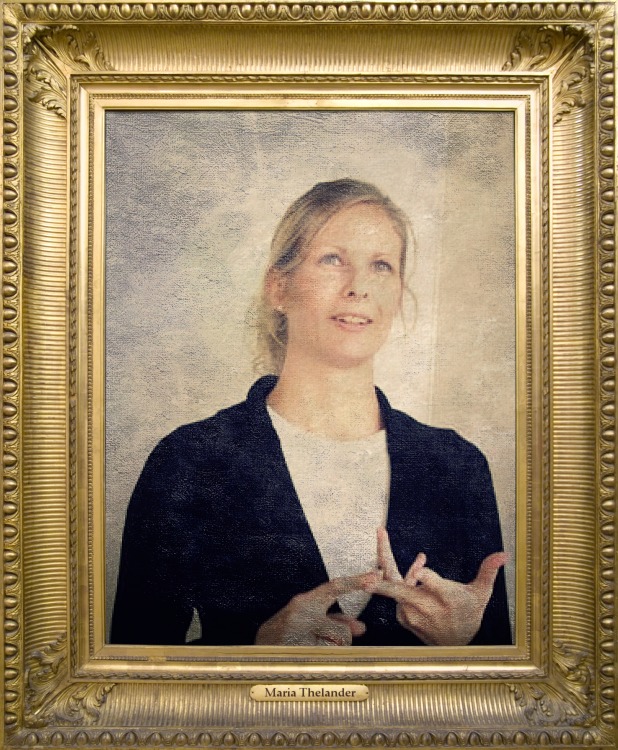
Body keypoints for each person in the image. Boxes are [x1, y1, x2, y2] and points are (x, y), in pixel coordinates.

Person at [110, 178, 512, 647]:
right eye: (332, 260)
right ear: (279, 287)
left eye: (381, 265)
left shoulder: (457, 465)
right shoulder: (190, 460)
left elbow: (504, 672)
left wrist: (462, 642)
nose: (358, 287)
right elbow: (131, 665)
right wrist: (255, 652)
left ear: (399, 295)